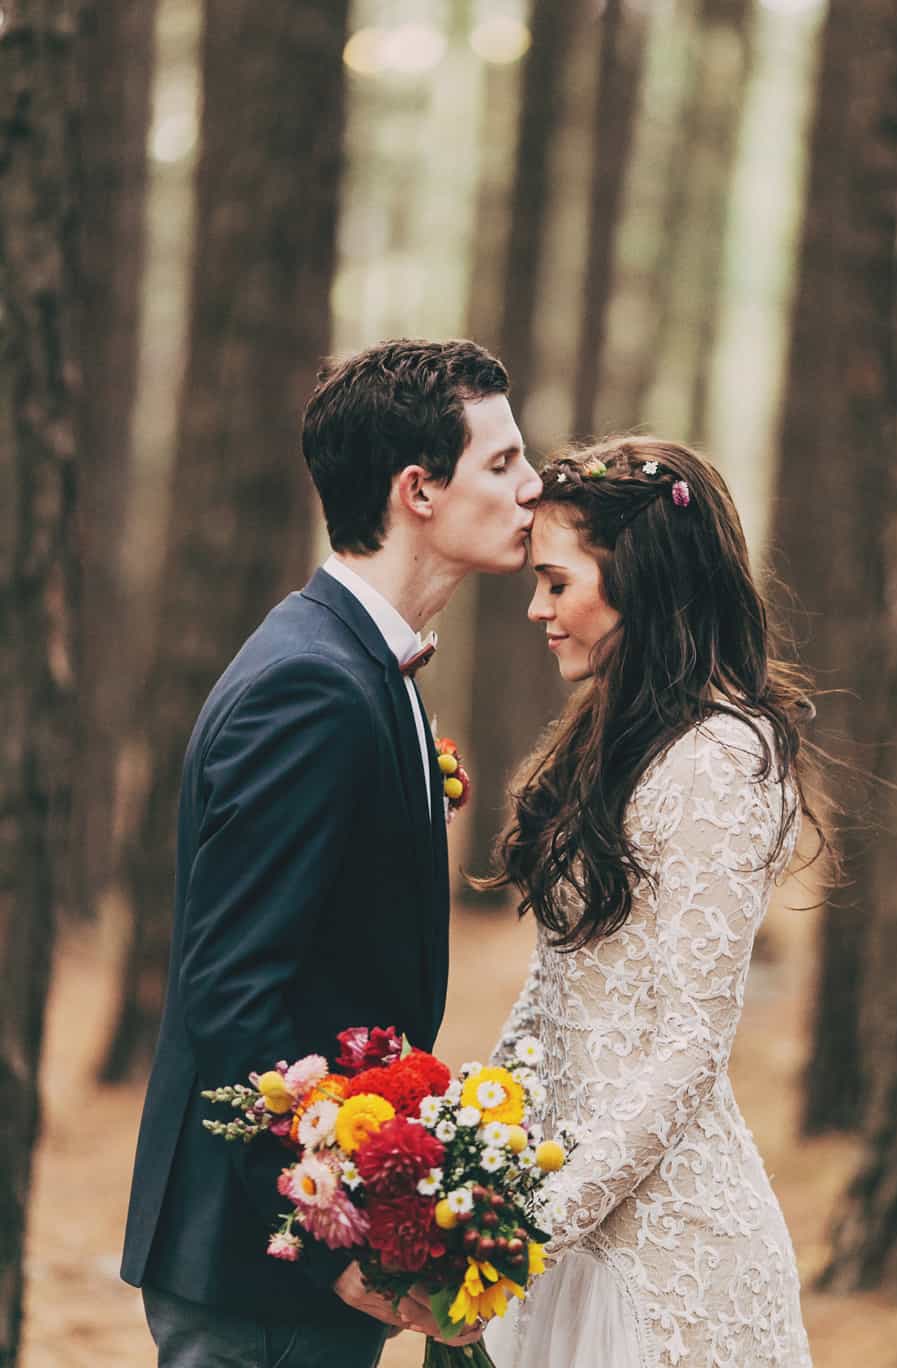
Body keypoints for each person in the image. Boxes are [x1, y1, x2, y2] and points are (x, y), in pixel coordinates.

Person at [120, 338, 542, 1368]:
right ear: (418, 490)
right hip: (259, 1271)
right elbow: (233, 997)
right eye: (501, 463)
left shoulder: (364, 666)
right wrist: (337, 1244)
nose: (533, 486)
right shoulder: (309, 685)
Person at [483, 437, 817, 1367]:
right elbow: (556, 998)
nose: (537, 608)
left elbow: (691, 1043)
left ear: (640, 576)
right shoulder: (614, 740)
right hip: (561, 1227)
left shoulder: (723, 758)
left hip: (667, 1261)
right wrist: (466, 1146)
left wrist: (536, 1226)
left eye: (557, 582)